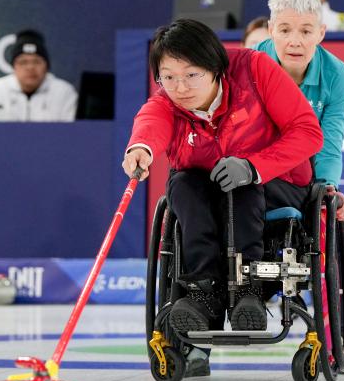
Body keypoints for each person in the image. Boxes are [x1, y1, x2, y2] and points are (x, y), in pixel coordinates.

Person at [123, 18, 323, 353]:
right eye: (168, 77)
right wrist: (140, 148)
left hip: (275, 184)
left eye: (191, 75)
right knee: (183, 185)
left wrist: (255, 166)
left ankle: (249, 291)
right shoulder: (168, 101)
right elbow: (150, 121)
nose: (180, 87)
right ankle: (203, 292)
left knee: (240, 185)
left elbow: (307, 131)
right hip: (207, 195)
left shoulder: (254, 69)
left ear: (215, 67)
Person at [254, 0, 344, 375]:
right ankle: (199, 340)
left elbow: (331, 141)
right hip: (253, 177)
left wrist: (328, 191)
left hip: (305, 183)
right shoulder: (253, 66)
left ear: (321, 33)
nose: (295, 40)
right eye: (285, 30)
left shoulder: (336, 75)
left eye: (305, 31)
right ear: (271, 31)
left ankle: (339, 343)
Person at [0, 29, 77, 121]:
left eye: (36, 62)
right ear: (14, 67)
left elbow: (73, 132)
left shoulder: (64, 93)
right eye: (23, 62)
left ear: (47, 66)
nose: (30, 68)